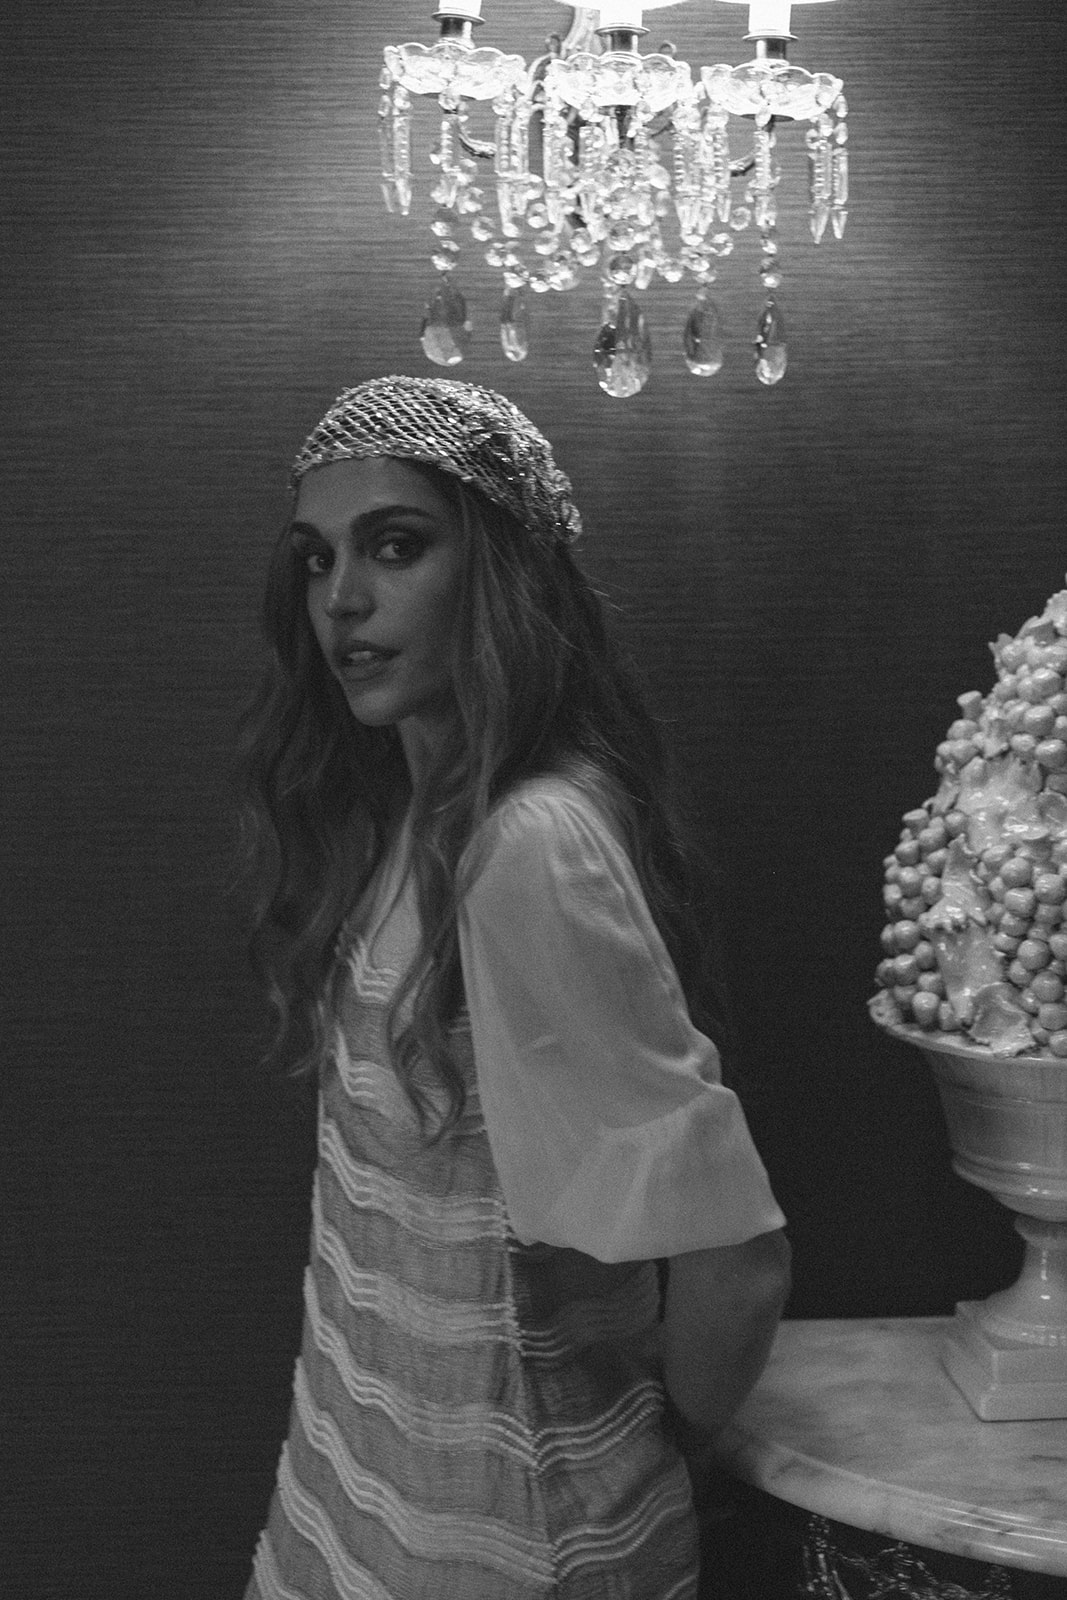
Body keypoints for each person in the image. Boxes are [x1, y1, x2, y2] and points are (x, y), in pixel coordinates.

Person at [239, 374, 789, 1600]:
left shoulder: (525, 843)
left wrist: (662, 1445)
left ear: (499, 572)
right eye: (318, 558)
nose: (343, 599)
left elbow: (736, 1259)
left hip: (502, 1527)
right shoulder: (418, 815)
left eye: (395, 546)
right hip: (368, 1472)